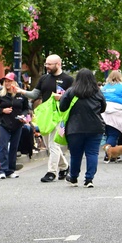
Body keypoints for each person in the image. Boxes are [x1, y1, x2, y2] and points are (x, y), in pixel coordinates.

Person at [59, 68, 106, 188]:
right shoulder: (97, 92)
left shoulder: (71, 91)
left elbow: (62, 107)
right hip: (95, 127)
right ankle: (89, 179)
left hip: (75, 128)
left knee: (75, 154)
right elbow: (103, 108)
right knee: (92, 153)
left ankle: (73, 178)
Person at [35, 54, 74, 183]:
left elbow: (73, 98)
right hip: (46, 115)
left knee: (53, 144)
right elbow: (35, 93)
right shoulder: (44, 78)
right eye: (46, 64)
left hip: (60, 115)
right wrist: (21, 91)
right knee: (48, 145)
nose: (47, 66)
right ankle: (64, 166)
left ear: (58, 64)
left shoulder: (68, 80)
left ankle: (51, 172)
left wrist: (62, 98)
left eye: (49, 64)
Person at [0, 73, 30, 179]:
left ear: (14, 82)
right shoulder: (0, 94)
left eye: (9, 81)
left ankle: (11, 170)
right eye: (6, 81)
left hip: (17, 124)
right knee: (3, 147)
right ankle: (2, 170)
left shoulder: (21, 95)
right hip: (4, 123)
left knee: (14, 147)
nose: (7, 83)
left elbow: (26, 108)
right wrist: (2, 110)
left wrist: (24, 115)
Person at [100, 70, 122, 149]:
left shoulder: (104, 88)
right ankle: (109, 154)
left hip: (104, 113)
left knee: (109, 134)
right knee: (113, 135)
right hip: (117, 113)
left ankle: (112, 154)